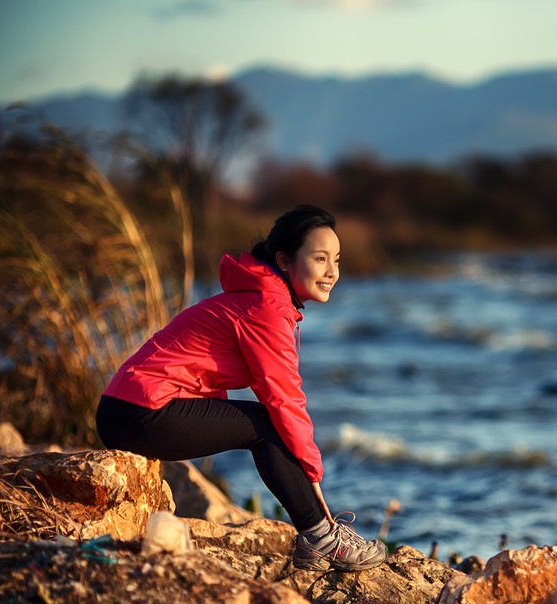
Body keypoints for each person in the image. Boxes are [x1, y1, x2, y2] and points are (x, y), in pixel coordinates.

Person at [95, 204, 386, 573]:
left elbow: (203, 374)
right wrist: (311, 467)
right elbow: (283, 397)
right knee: (266, 424)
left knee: (267, 422)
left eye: (337, 260)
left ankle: (319, 534)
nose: (332, 272)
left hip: (125, 410)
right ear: (284, 260)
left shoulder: (260, 300)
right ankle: (322, 538)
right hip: (140, 412)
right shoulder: (266, 307)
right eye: (320, 258)